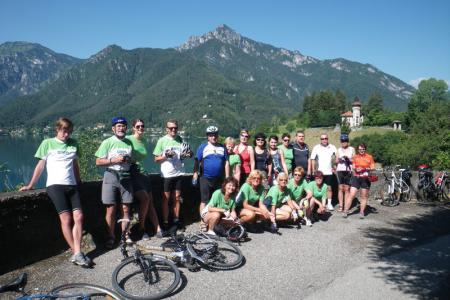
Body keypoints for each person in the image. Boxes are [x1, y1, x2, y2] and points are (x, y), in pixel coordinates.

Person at [20, 117, 91, 267]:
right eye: (64, 131)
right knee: (66, 219)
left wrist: (79, 180)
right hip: (55, 186)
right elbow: (40, 165)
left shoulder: (74, 144)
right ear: (57, 129)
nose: (67, 135)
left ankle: (77, 253)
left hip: (72, 185)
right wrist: (30, 184)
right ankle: (77, 252)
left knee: (79, 216)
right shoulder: (47, 143)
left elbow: (74, 164)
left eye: (69, 132)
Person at [95, 116, 133, 249]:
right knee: (110, 209)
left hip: (126, 177)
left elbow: (131, 159)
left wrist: (129, 160)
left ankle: (125, 235)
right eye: (118, 126)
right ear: (113, 128)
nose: (121, 128)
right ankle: (111, 236)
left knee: (126, 208)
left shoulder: (129, 143)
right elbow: (98, 161)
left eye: (123, 126)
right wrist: (114, 160)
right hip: (111, 175)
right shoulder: (107, 142)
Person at [153, 119, 191, 232]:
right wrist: (166, 156)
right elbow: (156, 159)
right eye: (171, 128)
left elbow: (185, 154)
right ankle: (165, 222)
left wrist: (188, 154)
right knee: (166, 199)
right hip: (167, 175)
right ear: (167, 129)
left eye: (175, 128)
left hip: (179, 173)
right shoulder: (161, 141)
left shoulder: (180, 139)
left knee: (177, 198)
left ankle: (176, 220)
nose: (173, 130)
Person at [127, 119, 162, 239]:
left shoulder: (144, 140)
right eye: (138, 126)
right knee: (145, 199)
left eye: (142, 126)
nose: (141, 128)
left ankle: (158, 229)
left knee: (150, 202)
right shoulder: (129, 139)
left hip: (144, 174)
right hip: (134, 174)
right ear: (133, 128)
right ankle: (141, 228)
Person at [193, 126, 230, 231]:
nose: (213, 137)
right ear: (207, 136)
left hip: (219, 178)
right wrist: (195, 173)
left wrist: (227, 177)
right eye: (211, 135)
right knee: (204, 200)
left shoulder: (222, 147)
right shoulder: (203, 147)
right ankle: (203, 221)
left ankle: (215, 221)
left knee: (217, 200)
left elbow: (226, 162)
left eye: (215, 135)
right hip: (205, 178)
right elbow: (197, 160)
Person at [345, 143, 375, 219]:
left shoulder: (369, 157)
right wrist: (356, 170)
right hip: (356, 178)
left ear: (365, 149)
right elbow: (353, 167)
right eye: (360, 149)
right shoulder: (355, 157)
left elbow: (372, 168)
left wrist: (364, 169)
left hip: (366, 178)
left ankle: (361, 212)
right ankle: (345, 211)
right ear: (358, 150)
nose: (362, 150)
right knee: (351, 194)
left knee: (364, 196)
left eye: (363, 149)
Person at [310, 133, 337, 211]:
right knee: (319, 188)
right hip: (320, 172)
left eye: (326, 138)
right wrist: (313, 170)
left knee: (329, 188)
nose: (324, 140)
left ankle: (329, 204)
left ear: (328, 139)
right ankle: (319, 203)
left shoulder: (332, 147)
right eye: (322, 139)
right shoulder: (316, 147)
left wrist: (335, 166)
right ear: (320, 140)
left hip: (329, 172)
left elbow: (337, 156)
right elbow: (313, 159)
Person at [335, 133, 355, 213]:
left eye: (345, 141)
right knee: (340, 188)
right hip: (340, 170)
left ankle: (346, 205)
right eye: (342, 141)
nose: (344, 142)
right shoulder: (339, 150)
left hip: (348, 170)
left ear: (348, 141)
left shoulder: (352, 149)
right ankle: (340, 205)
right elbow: (336, 160)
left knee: (347, 189)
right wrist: (340, 159)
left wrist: (348, 159)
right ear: (341, 141)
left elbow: (355, 160)